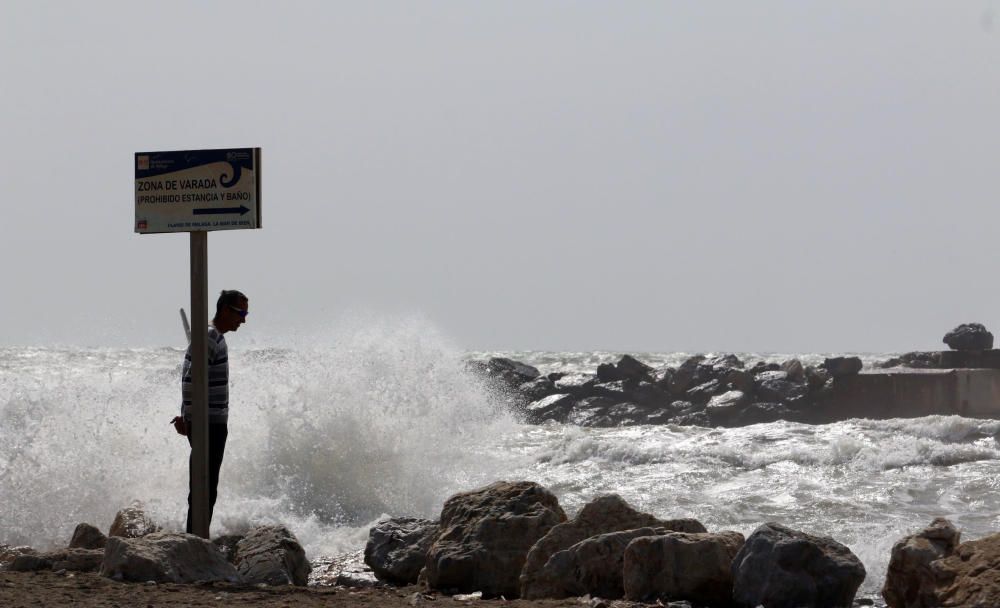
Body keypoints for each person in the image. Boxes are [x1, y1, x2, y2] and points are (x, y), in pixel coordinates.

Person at [172, 289, 248, 535]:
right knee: (204, 487)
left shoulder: (214, 336)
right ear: (225, 309)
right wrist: (190, 419)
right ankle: (195, 539)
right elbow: (190, 380)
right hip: (208, 425)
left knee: (206, 486)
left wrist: (187, 416)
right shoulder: (209, 337)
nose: (244, 319)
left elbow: (193, 378)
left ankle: (196, 536)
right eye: (241, 313)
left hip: (211, 423)